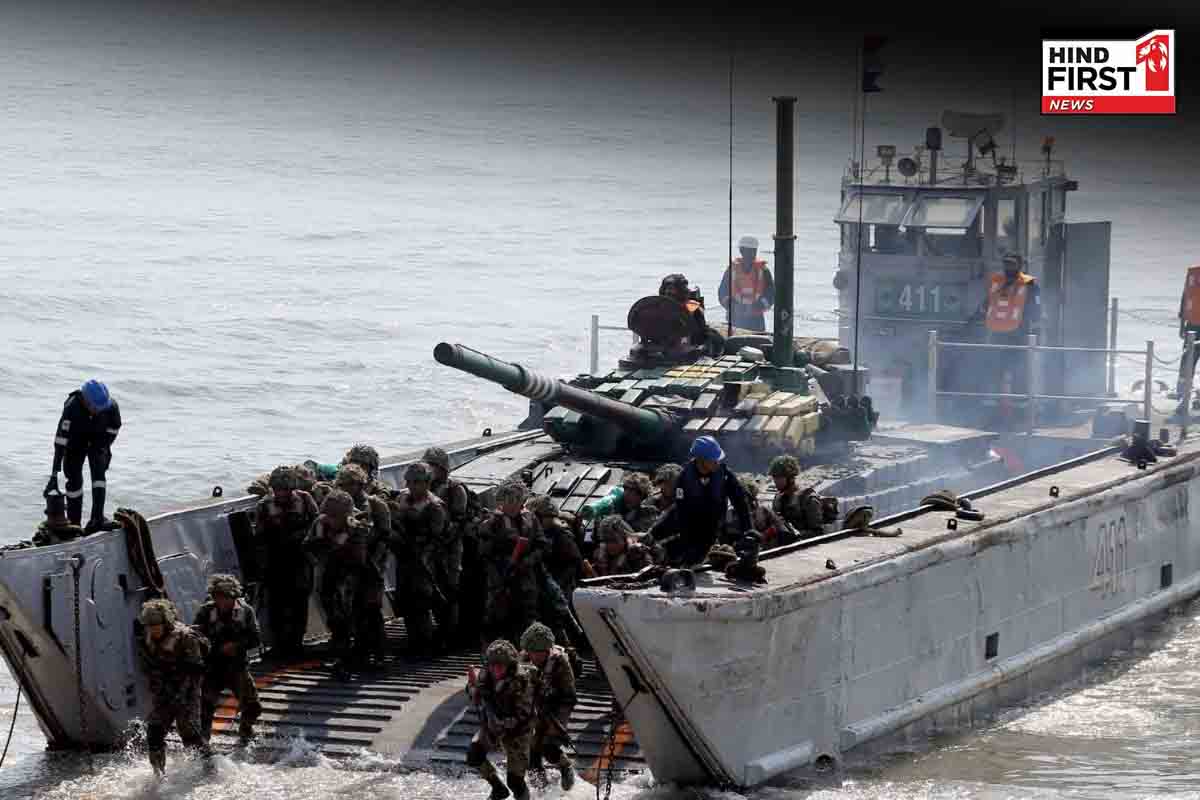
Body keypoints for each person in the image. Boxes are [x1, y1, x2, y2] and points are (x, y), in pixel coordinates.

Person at [647, 435, 752, 566]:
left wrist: (748, 530)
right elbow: (680, 510)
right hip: (691, 529)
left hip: (716, 528)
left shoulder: (724, 474)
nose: (717, 462)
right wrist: (655, 533)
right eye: (714, 460)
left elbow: (740, 502)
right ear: (701, 460)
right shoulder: (684, 478)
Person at [137, 598, 212, 776]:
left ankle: (209, 767)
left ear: (165, 623)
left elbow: (195, 670)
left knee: (189, 733)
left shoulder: (185, 637)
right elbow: (148, 667)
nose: (153, 629)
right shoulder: (147, 639)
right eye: (150, 626)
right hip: (164, 691)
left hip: (187, 690)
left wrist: (181, 694)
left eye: (156, 625)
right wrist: (160, 688)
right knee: (154, 731)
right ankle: (158, 774)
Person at [387, 461, 452, 657]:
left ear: (427, 483)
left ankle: (427, 644)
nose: (412, 486)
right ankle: (414, 641)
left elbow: (438, 537)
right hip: (405, 558)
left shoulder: (435, 506)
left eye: (417, 482)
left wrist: (420, 550)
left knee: (422, 602)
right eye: (409, 482)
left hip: (425, 561)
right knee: (406, 601)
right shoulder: (402, 498)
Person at [255, 465, 320, 660]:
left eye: (285, 489)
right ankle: (279, 645)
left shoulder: (305, 499)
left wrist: (303, 538)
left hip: (300, 559)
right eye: (277, 489)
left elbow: (317, 525)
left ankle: (296, 643)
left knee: (299, 602)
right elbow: (259, 537)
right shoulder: (265, 505)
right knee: (276, 604)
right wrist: (262, 565)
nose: (281, 493)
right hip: (276, 561)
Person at [192, 574, 263, 745]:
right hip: (212, 668)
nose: (222, 601)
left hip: (236, 667)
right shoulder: (206, 611)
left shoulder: (245, 611)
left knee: (252, 705)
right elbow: (196, 637)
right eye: (218, 597)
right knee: (205, 707)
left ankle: (246, 731)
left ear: (233, 596)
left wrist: (237, 645)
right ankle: (203, 741)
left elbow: (255, 638)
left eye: (225, 597)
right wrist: (216, 648)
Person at [477, 479, 547, 650]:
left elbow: (541, 545)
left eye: (517, 499)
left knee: (527, 616)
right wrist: (499, 571)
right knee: (498, 619)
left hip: (525, 577)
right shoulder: (492, 522)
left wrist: (528, 561)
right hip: (500, 577)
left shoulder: (530, 519)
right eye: (509, 499)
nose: (513, 504)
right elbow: (484, 553)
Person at [45, 379, 122, 533]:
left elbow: (114, 428)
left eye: (100, 408)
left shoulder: (110, 407)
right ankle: (75, 524)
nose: (97, 411)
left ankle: (97, 519)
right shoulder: (71, 408)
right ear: (85, 400)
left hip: (98, 441)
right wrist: (54, 473)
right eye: (95, 408)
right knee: (74, 481)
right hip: (75, 443)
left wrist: (103, 446)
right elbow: (60, 440)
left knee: (99, 476)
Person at [466, 639, 538, 800]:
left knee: (515, 782)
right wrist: (471, 687)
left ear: (509, 665)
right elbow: (476, 693)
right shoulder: (486, 674)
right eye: (492, 665)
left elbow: (524, 715)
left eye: (500, 666)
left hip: (519, 732)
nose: (496, 669)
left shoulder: (521, 681)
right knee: (474, 754)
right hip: (493, 724)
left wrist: (502, 722)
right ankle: (498, 789)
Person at [968, 252, 1042, 399]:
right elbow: (987, 304)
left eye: (1012, 264)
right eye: (1006, 263)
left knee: (1018, 370)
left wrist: (1035, 330)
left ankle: (1019, 402)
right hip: (997, 334)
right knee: (995, 369)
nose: (1008, 267)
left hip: (1018, 335)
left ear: (1020, 266)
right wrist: (972, 321)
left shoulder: (1029, 285)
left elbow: (1036, 310)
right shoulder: (997, 283)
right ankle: (993, 400)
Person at [520, 622, 577, 791]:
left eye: (538, 653)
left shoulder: (559, 661)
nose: (534, 657)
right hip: (537, 705)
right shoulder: (526, 658)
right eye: (532, 652)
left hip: (559, 705)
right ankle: (540, 789)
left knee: (549, 746)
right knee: (532, 751)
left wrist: (545, 693)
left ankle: (565, 766)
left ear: (546, 650)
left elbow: (567, 693)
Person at [719, 235, 775, 332]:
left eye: (753, 251)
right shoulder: (732, 269)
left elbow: (771, 293)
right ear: (741, 251)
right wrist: (731, 305)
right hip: (736, 317)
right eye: (748, 251)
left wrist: (760, 304)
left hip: (756, 318)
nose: (751, 254)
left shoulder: (763, 270)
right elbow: (723, 292)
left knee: (756, 338)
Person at [768, 455, 826, 540]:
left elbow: (818, 533)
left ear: (790, 478)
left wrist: (796, 535)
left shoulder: (807, 498)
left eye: (779, 477)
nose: (775, 481)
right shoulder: (778, 498)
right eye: (774, 477)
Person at [659, 273, 710, 348]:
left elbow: (700, 333)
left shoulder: (692, 307)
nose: (669, 292)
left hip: (685, 346)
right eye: (668, 289)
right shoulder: (656, 306)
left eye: (672, 289)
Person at [1176, 265, 1200, 414]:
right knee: (1187, 361)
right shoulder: (1193, 272)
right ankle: (1183, 396)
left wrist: (1182, 325)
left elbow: (1185, 298)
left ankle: (1186, 396)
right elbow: (1185, 298)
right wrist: (1182, 325)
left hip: (1191, 325)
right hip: (1192, 326)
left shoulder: (1193, 273)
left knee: (1187, 361)